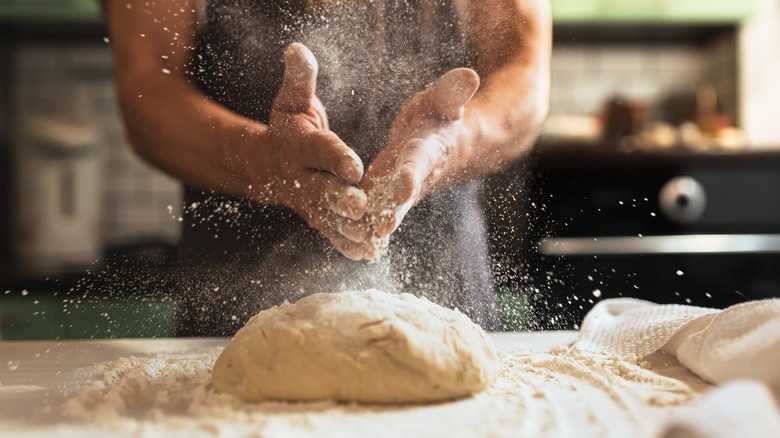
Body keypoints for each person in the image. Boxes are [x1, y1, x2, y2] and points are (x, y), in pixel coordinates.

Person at [103, 0, 550, 336]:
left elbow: (524, 76)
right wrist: (266, 161)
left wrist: (449, 144)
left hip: (445, 296)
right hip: (236, 309)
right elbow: (148, 91)